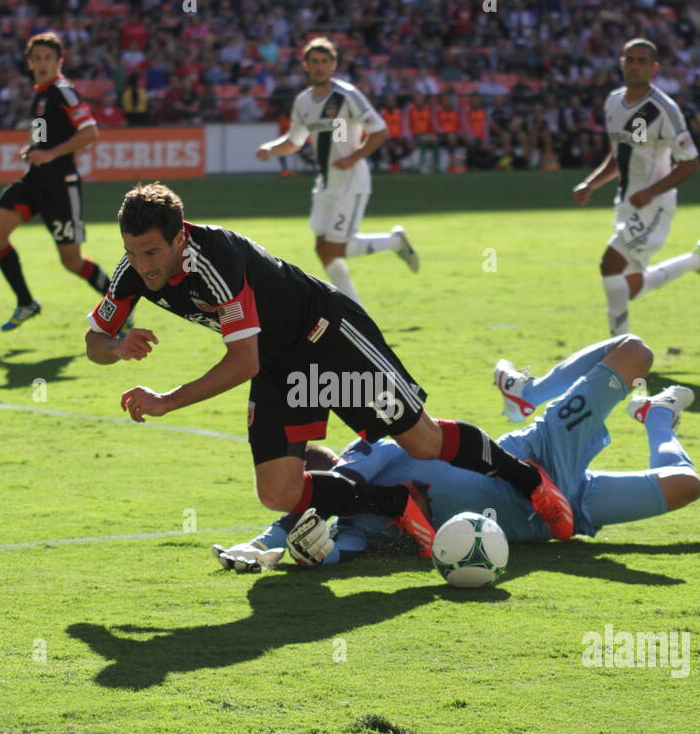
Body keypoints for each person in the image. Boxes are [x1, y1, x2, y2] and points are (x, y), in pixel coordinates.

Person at [84, 180, 576, 547]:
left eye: (152, 252)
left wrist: (168, 399)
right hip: (280, 360)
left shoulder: (214, 260)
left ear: (178, 237)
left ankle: (531, 482)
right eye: (132, 252)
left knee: (423, 441)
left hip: (329, 336)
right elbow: (94, 340)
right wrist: (118, 345)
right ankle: (396, 504)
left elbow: (242, 362)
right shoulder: (134, 270)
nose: (143, 266)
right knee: (278, 491)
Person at [214, 335, 700, 571]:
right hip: (554, 517)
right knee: (688, 486)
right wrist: (297, 555)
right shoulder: (355, 525)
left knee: (633, 351)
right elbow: (331, 548)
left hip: (541, 456)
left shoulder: (370, 454)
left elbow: (313, 497)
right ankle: (658, 415)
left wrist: (264, 540)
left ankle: (529, 391)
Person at [571, 38, 700, 336]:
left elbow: (690, 162)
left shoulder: (663, 109)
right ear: (621, 63)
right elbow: (619, 153)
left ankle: (618, 349)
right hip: (626, 202)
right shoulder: (613, 101)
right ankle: (694, 261)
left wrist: (651, 192)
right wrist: (591, 183)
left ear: (654, 68)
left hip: (654, 206)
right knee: (630, 288)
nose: (635, 65)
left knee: (609, 265)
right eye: (630, 59)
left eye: (642, 61)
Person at [255, 37, 418, 304]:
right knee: (323, 249)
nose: (319, 66)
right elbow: (293, 142)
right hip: (326, 183)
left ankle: (395, 242)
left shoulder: (347, 95)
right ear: (306, 65)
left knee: (337, 247)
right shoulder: (304, 102)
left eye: (325, 61)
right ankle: (355, 308)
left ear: (334, 64)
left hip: (351, 180)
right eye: (314, 62)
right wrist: (270, 149)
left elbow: (379, 131)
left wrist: (353, 157)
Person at [0, 31, 113, 332]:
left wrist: (51, 153)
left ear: (59, 61)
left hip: (60, 185)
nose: (42, 63)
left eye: (48, 58)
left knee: (71, 261)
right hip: (34, 181)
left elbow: (90, 133)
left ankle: (117, 307)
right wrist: (34, 150)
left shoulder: (63, 91)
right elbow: (44, 138)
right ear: (30, 62)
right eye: (37, 58)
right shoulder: (41, 94)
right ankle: (26, 302)